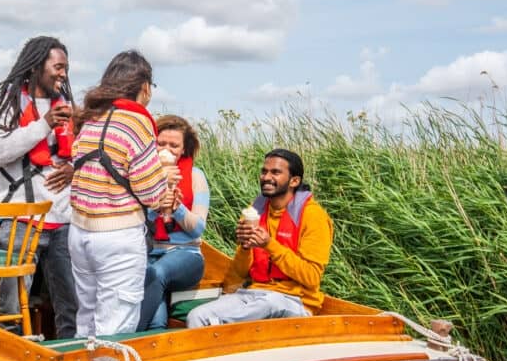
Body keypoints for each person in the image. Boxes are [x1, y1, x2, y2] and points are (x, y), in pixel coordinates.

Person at [69, 51, 171, 337]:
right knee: (115, 327)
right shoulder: (135, 123)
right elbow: (151, 193)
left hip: (80, 233)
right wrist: (164, 174)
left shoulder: (91, 119)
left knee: (87, 318)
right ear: (145, 87)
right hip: (117, 236)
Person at [0, 36, 80, 338]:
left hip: (62, 220)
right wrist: (44, 125)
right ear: (38, 66)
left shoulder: (67, 106)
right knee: (9, 307)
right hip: (19, 221)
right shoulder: (8, 104)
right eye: (59, 67)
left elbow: (81, 152)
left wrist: (73, 168)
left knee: (71, 307)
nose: (64, 74)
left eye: (65, 68)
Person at [186, 149, 333, 327]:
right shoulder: (254, 213)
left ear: (294, 181)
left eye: (275, 172)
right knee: (196, 316)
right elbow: (240, 272)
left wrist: (269, 244)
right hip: (254, 294)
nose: (266, 177)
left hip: (295, 301)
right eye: (264, 171)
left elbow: (311, 277)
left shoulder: (313, 216)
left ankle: (221, 327)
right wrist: (245, 247)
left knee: (269, 303)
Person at [138, 115, 210, 331]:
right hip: (151, 253)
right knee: (152, 279)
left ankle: (126, 336)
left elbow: (197, 228)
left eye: (173, 145)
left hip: (187, 255)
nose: (166, 149)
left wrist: (177, 209)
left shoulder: (196, 177)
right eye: (161, 144)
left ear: (184, 149)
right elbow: (138, 223)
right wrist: (155, 207)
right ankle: (154, 338)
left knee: (156, 273)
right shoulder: (143, 178)